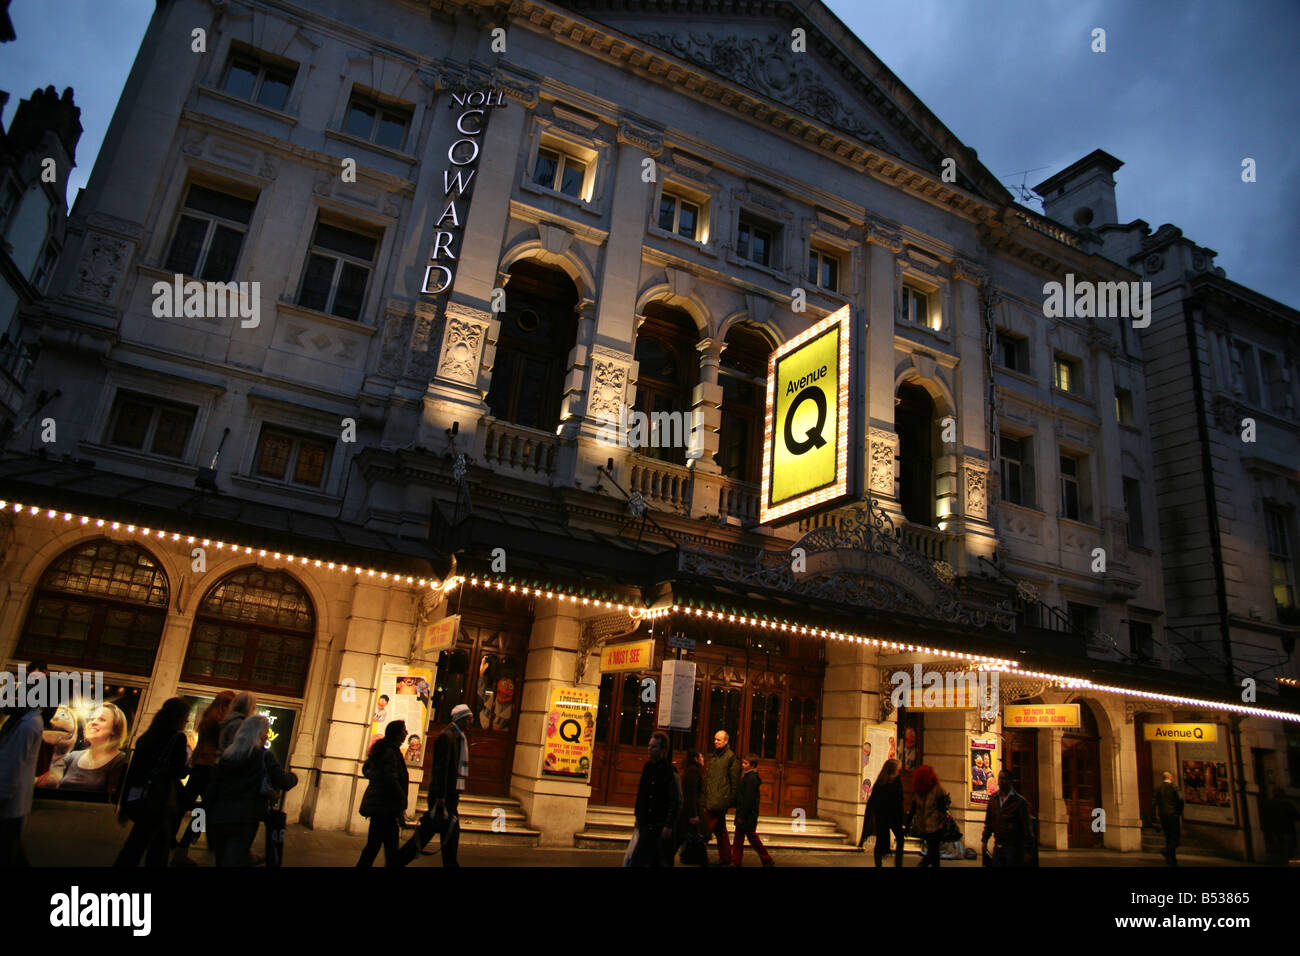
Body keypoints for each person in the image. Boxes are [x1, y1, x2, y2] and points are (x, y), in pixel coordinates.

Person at [206, 715, 297, 867]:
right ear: (259, 734)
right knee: (233, 859)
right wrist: (294, 777)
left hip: (220, 816)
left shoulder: (227, 755)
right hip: (245, 817)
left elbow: (212, 788)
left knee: (221, 860)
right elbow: (284, 781)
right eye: (265, 732)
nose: (267, 735)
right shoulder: (262, 756)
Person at [115, 697, 191, 868]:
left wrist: (124, 803)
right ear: (178, 717)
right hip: (160, 798)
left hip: (142, 796)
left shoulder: (147, 737)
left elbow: (133, 771)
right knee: (154, 846)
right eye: (185, 716)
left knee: (139, 842)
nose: (187, 720)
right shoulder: (177, 739)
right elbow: (179, 771)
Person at [399, 703, 472, 867]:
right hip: (443, 796)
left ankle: (400, 860)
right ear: (461, 719)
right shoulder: (447, 737)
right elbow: (440, 768)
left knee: (446, 833)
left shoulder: (459, 737)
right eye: (469, 719)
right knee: (433, 832)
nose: (471, 723)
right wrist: (440, 796)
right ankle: (399, 860)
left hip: (449, 794)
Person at [172, 691, 235, 865]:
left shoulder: (208, 719)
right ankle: (184, 846)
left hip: (199, 767)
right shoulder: (219, 724)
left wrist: (192, 763)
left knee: (185, 805)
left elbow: (200, 746)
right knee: (203, 812)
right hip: (210, 769)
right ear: (226, 704)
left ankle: (172, 840)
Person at [37, 702, 129, 794]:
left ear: (114, 729)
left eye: (102, 719)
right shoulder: (72, 757)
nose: (93, 722)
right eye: (91, 719)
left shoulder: (119, 760)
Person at [0, 673, 43, 866]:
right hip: (14, 802)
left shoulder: (27, 725)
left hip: (10, 801)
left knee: (8, 849)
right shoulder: (23, 721)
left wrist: (3, 796)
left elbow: (13, 764)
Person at [356, 720, 409, 867]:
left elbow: (368, 769)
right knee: (386, 849)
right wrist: (402, 798)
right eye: (404, 730)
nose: (406, 733)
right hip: (386, 807)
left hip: (382, 807)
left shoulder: (384, 749)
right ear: (397, 734)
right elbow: (390, 777)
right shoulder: (390, 752)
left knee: (377, 847)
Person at [630, 731, 680, 866]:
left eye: (654, 747)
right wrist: (638, 817)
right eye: (649, 746)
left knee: (658, 861)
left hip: (660, 826)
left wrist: (668, 824)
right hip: (647, 824)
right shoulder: (647, 768)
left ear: (663, 750)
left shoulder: (669, 771)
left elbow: (675, 799)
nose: (649, 749)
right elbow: (642, 794)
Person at [703, 729, 741, 865]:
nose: (715, 742)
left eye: (718, 740)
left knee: (706, 829)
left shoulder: (730, 757)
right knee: (720, 831)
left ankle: (698, 853)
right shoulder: (715, 757)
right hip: (713, 798)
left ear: (726, 741)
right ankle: (726, 857)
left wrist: (730, 800)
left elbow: (734, 781)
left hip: (719, 800)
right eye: (714, 739)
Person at [981, 769, 1033, 866]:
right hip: (998, 845)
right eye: (1000, 778)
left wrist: (1027, 851)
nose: (1002, 781)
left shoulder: (1019, 802)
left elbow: (1026, 828)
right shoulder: (993, 800)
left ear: (1010, 781)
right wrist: (984, 840)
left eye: (1004, 779)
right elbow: (988, 822)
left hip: (1013, 847)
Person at [731, 753, 774, 866]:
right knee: (743, 839)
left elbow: (748, 799)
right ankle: (737, 861)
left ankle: (766, 859)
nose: (743, 765)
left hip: (746, 815)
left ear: (752, 765)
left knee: (749, 839)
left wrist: (742, 816)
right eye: (743, 762)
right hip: (746, 814)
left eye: (746, 763)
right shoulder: (749, 777)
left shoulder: (751, 779)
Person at [866, 758, 904, 867]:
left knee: (879, 841)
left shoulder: (880, 781)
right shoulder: (896, 781)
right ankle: (898, 863)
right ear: (894, 769)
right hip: (893, 816)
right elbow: (899, 800)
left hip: (881, 816)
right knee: (900, 839)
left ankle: (878, 864)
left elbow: (874, 800)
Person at [910, 764, 949, 867]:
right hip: (935, 825)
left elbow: (913, 809)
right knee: (933, 852)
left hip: (924, 826)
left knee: (933, 851)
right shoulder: (937, 789)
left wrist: (909, 823)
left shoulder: (917, 791)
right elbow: (942, 807)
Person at [675, 749, 707, 864]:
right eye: (701, 757)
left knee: (687, 837)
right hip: (691, 810)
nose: (703, 760)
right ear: (696, 759)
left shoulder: (693, 771)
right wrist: (694, 814)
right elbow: (692, 794)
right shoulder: (694, 771)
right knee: (692, 837)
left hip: (691, 809)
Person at [1259, 785, 1299, 866]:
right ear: (1282, 794)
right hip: (1287, 830)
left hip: (1273, 831)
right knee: (1288, 850)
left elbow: (1263, 817)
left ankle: (1277, 862)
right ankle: (1285, 862)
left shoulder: (1267, 804)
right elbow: (1296, 816)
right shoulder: (1286, 804)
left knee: (1277, 849)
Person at [1154, 770, 1184, 866]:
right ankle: (1166, 850)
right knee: (1175, 838)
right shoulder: (1174, 787)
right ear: (1171, 777)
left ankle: (1171, 860)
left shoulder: (1159, 788)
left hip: (1163, 815)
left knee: (1168, 837)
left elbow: (1154, 802)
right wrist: (1179, 811)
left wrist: (1155, 815)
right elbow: (1181, 799)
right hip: (1173, 814)